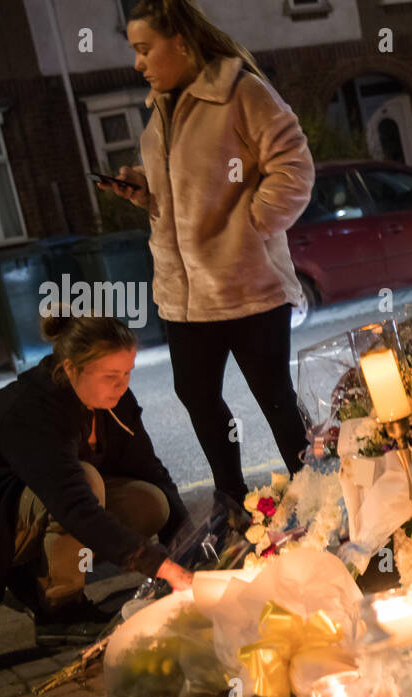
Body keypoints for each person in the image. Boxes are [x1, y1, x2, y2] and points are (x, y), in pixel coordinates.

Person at [97, 0, 315, 529]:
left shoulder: (241, 92)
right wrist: (146, 194)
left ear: (183, 43)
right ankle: (233, 503)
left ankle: (319, 496)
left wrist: (250, 227)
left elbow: (294, 167)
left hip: (247, 287)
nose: (138, 63)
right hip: (183, 295)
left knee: (275, 398)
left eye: (145, 49)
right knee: (196, 395)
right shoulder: (160, 111)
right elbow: (183, 197)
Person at [0, 313, 194, 644]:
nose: (122, 385)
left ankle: (33, 579)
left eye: (128, 372)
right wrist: (161, 566)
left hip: (20, 504)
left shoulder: (114, 402)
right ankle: (59, 611)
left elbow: (149, 469)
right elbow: (74, 505)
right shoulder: (35, 413)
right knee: (87, 483)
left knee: (149, 503)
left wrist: (186, 546)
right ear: (71, 368)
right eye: (110, 375)